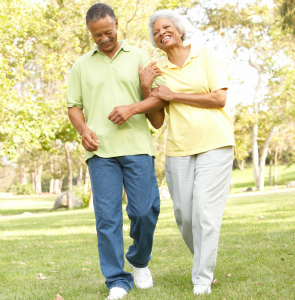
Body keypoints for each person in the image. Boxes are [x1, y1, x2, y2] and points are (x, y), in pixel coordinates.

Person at [66, 3, 167, 300]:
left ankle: (138, 260)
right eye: (96, 36)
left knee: (145, 209)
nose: (103, 39)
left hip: (137, 147)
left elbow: (160, 101)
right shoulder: (81, 65)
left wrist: (133, 106)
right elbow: (74, 106)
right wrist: (84, 131)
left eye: (107, 32)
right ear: (90, 34)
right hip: (101, 154)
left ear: (117, 24)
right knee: (107, 219)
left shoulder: (140, 57)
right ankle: (117, 281)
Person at [142, 9, 235, 296]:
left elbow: (219, 98)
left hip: (215, 143)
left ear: (180, 30)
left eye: (166, 27)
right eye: (156, 32)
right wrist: (147, 87)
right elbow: (157, 121)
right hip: (179, 149)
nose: (161, 33)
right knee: (184, 215)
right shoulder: (158, 70)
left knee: (205, 214)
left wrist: (175, 96)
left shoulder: (204, 55)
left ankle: (202, 279)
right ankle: (204, 260)